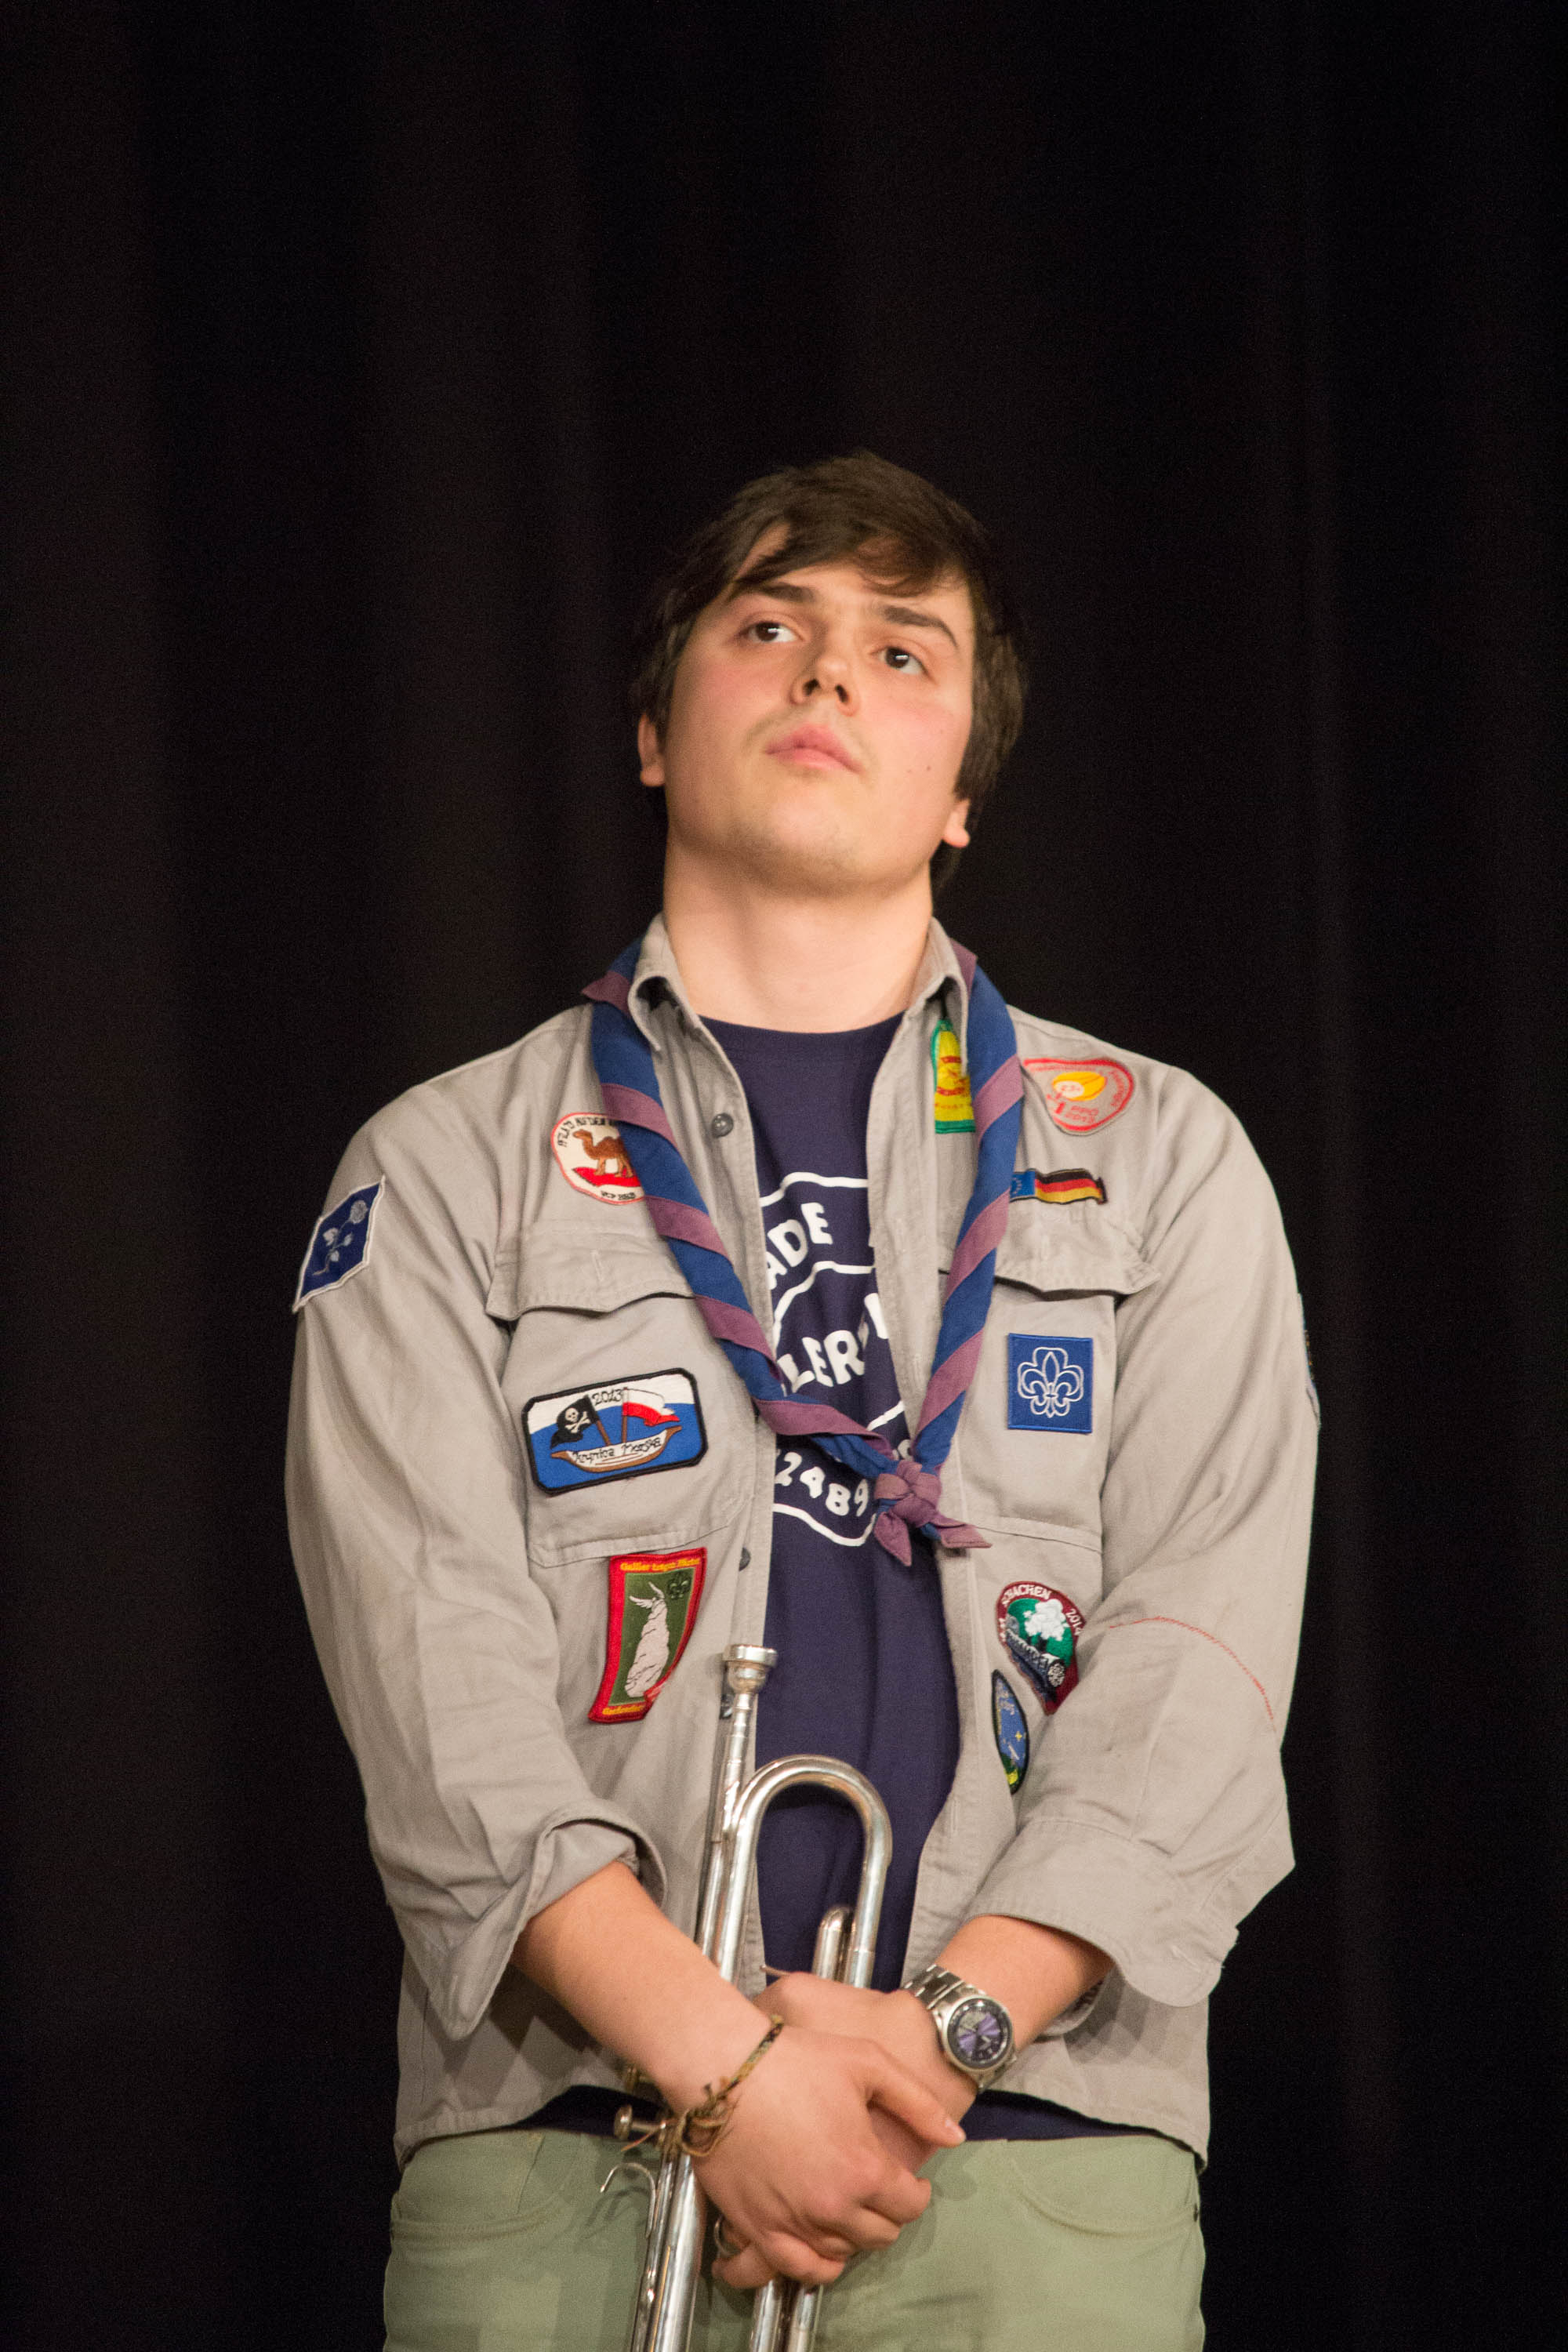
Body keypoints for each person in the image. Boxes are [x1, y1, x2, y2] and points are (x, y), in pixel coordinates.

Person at [286, 452, 1317, 2350]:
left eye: (902, 650)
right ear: (654, 729)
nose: (829, 673)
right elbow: (434, 1684)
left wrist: (938, 2035)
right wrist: (722, 2065)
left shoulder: (1164, 1158)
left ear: (965, 789)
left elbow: (1206, 1656)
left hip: (1026, 2161)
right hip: (566, 2161)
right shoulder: (438, 1168)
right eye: (767, 627)